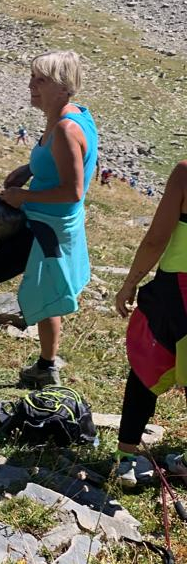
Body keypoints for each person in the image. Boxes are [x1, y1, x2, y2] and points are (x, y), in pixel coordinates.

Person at [0, 51, 97, 400]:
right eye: (32, 78)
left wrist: (23, 197)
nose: (31, 86)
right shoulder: (74, 115)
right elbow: (63, 161)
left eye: (41, 80)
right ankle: (46, 367)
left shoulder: (65, 128)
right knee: (49, 292)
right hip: (55, 228)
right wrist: (29, 170)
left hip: (41, 230)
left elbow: (73, 191)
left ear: (63, 86)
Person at [112, 161, 187, 486]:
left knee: (146, 366)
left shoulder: (184, 173)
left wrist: (130, 283)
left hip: (177, 290)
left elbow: (156, 239)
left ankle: (126, 460)